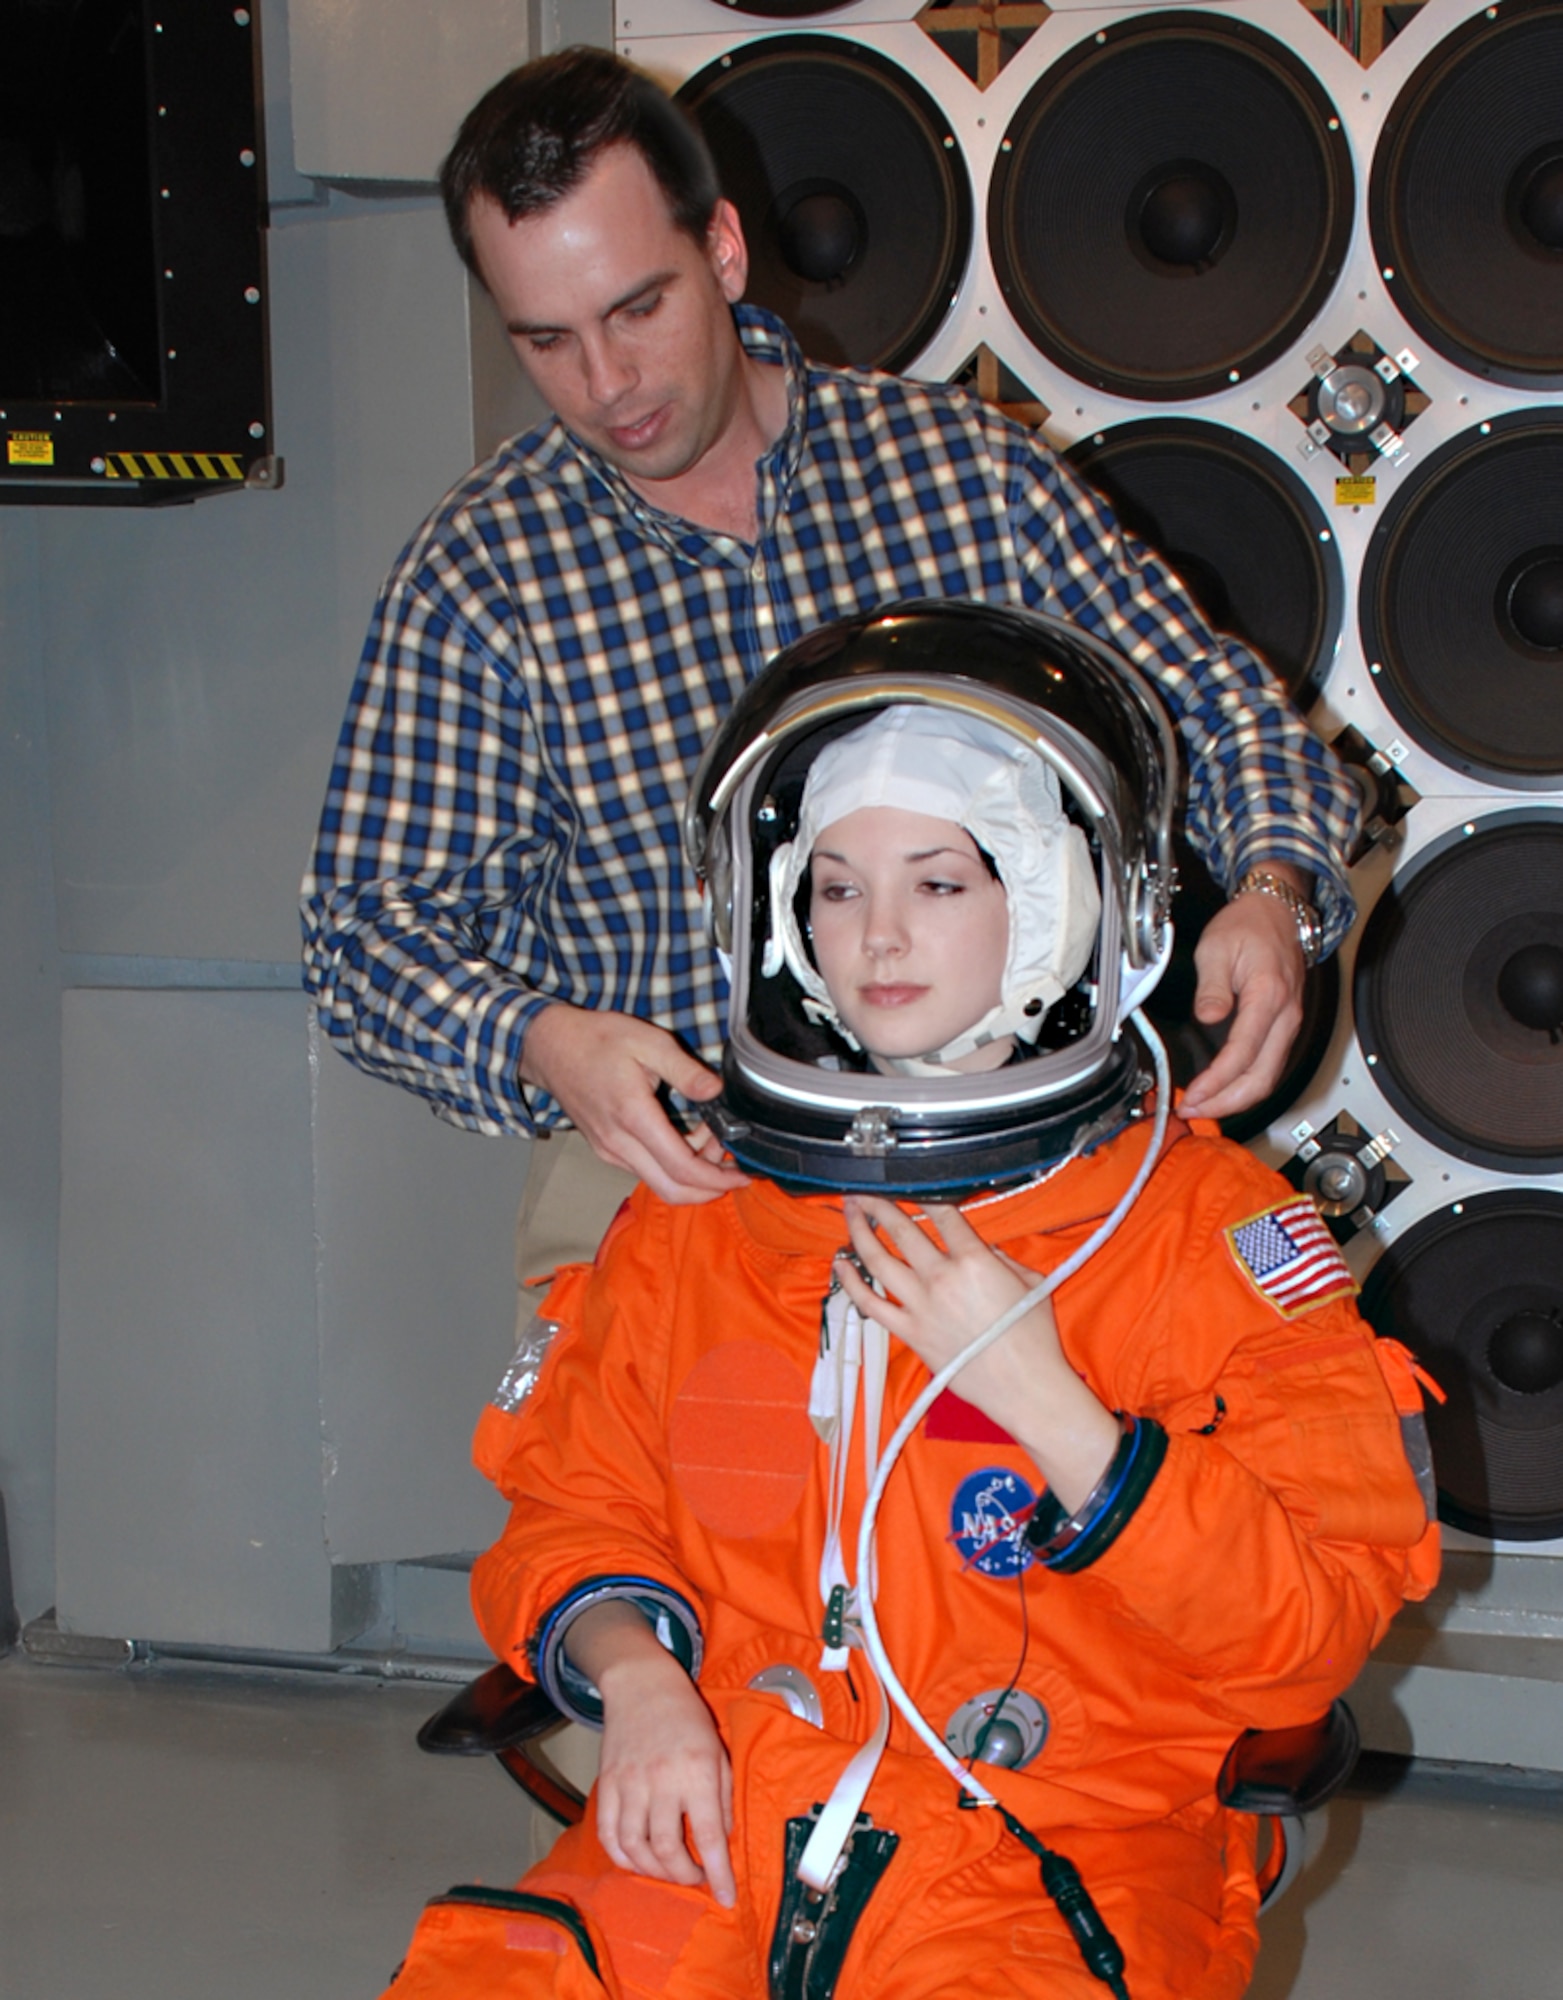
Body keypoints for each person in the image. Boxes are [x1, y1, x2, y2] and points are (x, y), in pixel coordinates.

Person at [381, 613, 1437, 2000]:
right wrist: (632, 1675)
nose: (873, 934)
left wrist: (1054, 1412)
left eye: (938, 883)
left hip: (1064, 1840)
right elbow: (574, 1506)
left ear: (1059, 902)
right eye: (829, 886)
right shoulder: (702, 1220)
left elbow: (1303, 1627)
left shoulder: (1196, 1235)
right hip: (730, 1809)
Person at [301, 45, 1358, 1247]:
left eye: (638, 307)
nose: (606, 382)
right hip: (679, 1188)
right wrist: (547, 1043)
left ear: (725, 251)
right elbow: (362, 936)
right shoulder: (482, 571)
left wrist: (1274, 895)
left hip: (1022, 1175)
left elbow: (1220, 714)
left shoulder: (968, 476)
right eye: (545, 340)